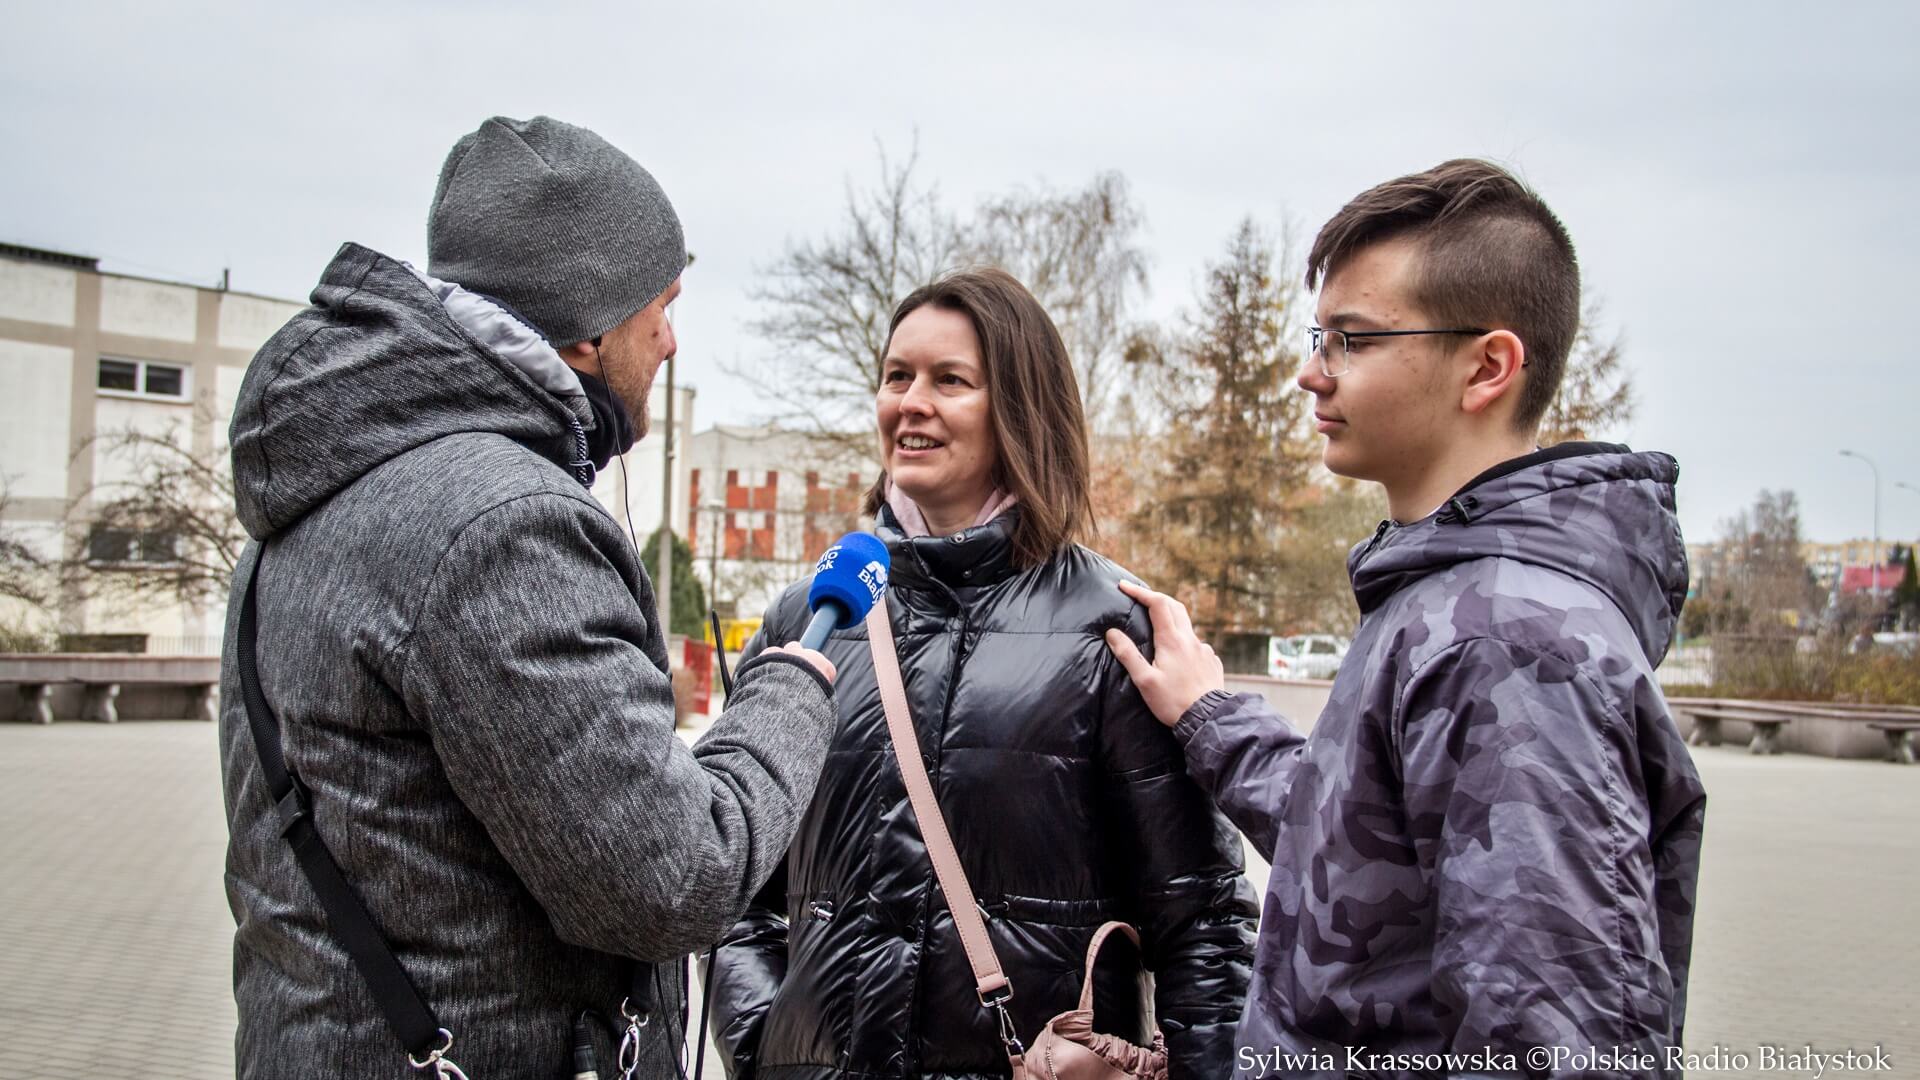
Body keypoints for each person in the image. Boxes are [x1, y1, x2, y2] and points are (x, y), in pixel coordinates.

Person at [218, 115, 838, 1078]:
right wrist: (793, 687)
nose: (671, 341)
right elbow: (677, 878)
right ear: (590, 329)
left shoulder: (322, 483)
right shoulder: (505, 527)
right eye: (661, 306)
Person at [1104, 160, 1708, 1077]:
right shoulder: (1448, 599)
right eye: (1320, 336)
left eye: (1352, 339)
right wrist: (1209, 715)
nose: (1311, 373)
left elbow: (1553, 1042)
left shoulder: (1506, 641)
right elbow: (1359, 848)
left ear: (1487, 368)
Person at [708, 268, 1258, 1078]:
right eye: (897, 376)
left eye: (950, 381)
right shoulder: (809, 617)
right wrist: (763, 1044)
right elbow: (734, 878)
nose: (911, 402)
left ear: (1021, 409)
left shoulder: (1111, 628)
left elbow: (1202, 924)